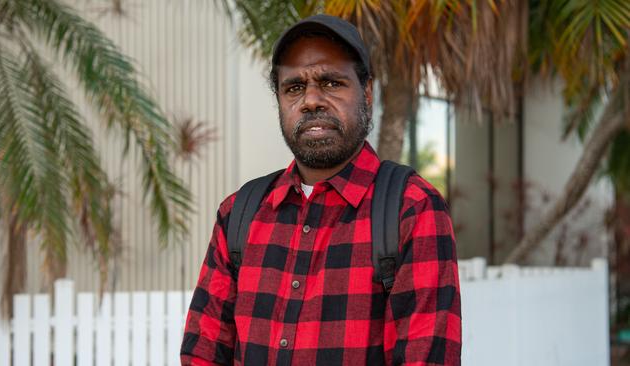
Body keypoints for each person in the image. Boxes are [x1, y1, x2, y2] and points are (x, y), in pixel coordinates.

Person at [181, 14, 461, 366]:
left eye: (331, 83)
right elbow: (202, 353)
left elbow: (426, 358)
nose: (311, 101)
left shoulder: (412, 208)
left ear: (368, 92)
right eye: (294, 87)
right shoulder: (239, 213)